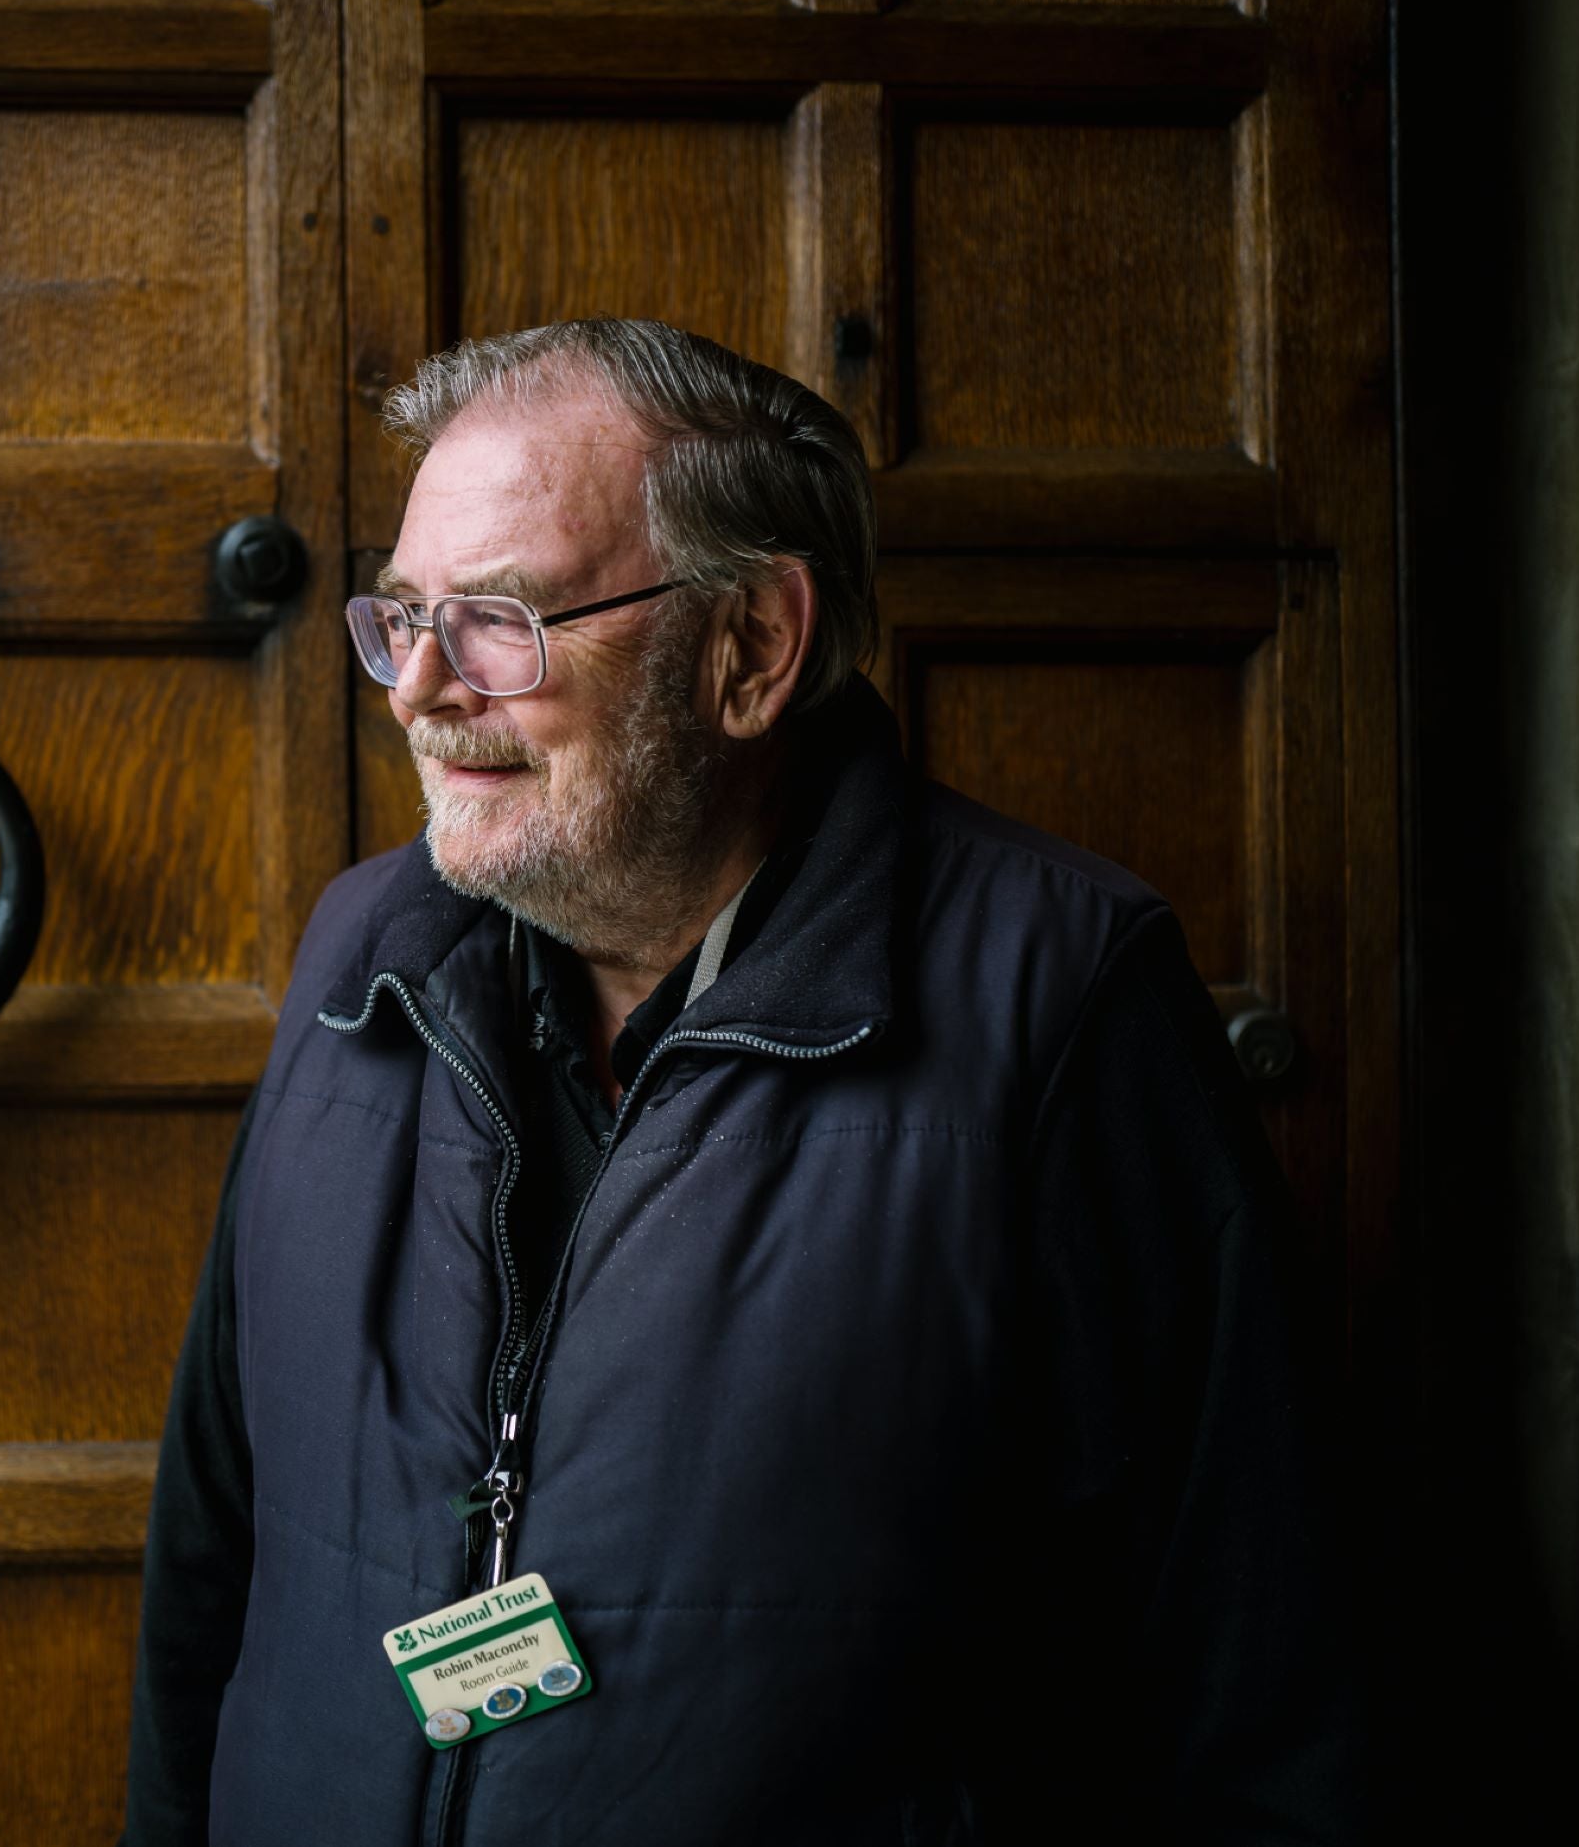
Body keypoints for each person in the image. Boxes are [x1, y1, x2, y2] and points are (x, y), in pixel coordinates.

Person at [124, 319, 1360, 1844]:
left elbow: (1260, 1673)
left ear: (752, 647)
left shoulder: (1061, 996)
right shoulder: (358, 955)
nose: (421, 691)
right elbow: (212, 1564)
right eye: (402, 618)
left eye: (501, 618)